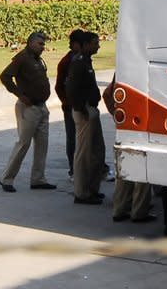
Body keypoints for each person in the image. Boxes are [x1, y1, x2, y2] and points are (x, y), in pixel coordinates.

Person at [0, 32, 57, 193]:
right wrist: (20, 95)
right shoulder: (22, 58)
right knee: (23, 143)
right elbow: (5, 76)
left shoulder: (37, 59)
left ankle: (38, 179)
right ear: (30, 43)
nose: (43, 47)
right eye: (40, 44)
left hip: (41, 107)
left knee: (42, 145)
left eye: (43, 44)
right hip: (28, 108)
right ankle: (6, 179)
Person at [103, 76, 156, 223]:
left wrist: (115, 115)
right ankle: (139, 211)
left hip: (126, 125)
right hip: (143, 125)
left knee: (125, 169)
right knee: (142, 169)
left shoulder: (122, 72)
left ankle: (119, 209)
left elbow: (107, 94)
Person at [66, 32, 104, 205]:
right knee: (83, 154)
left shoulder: (86, 61)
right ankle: (81, 193)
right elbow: (71, 89)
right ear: (86, 44)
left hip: (91, 110)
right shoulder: (78, 62)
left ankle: (92, 189)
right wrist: (82, 109)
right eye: (95, 43)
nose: (98, 46)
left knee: (96, 152)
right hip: (84, 112)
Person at [55, 29, 84, 181]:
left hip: (83, 105)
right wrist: (67, 103)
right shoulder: (66, 62)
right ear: (74, 45)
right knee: (72, 137)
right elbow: (59, 86)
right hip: (70, 107)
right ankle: (73, 169)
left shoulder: (83, 59)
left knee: (86, 138)